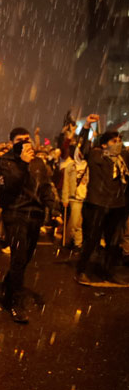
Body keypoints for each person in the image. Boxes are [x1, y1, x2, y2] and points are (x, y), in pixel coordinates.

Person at [0, 127, 60, 323]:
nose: (25, 143)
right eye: (20, 140)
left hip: (35, 215)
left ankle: (9, 284)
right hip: (15, 214)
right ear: (12, 142)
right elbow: (8, 187)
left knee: (26, 258)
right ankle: (14, 302)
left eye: (27, 139)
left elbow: (45, 187)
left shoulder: (38, 162)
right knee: (19, 258)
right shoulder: (4, 161)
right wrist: (22, 163)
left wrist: (53, 210)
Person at [75, 118, 129, 285]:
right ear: (104, 144)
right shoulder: (96, 155)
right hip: (97, 204)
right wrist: (86, 127)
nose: (118, 143)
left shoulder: (124, 158)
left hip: (117, 205)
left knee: (113, 243)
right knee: (91, 240)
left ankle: (107, 271)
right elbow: (82, 147)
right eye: (114, 141)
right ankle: (82, 270)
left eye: (119, 140)